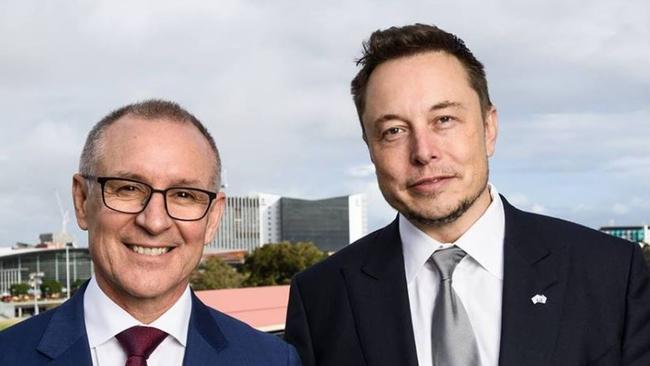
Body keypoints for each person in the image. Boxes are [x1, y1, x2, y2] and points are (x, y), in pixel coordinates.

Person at [284, 24, 650, 366]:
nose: (424, 151)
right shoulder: (321, 298)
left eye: (444, 119)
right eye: (394, 130)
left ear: (489, 128)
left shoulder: (610, 273)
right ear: (370, 148)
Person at [0, 100, 301, 366]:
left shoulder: (272, 360)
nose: (154, 222)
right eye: (128, 188)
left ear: (213, 218)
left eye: (184, 194)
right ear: (81, 201)